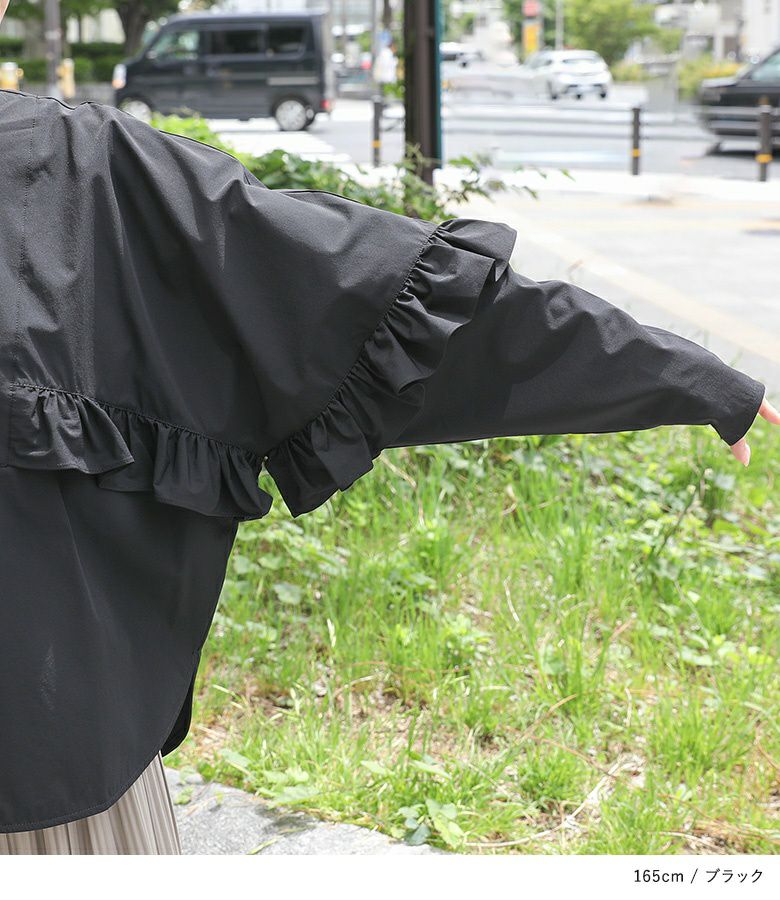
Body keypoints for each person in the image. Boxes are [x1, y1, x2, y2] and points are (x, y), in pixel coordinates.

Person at [0, 0, 777, 856]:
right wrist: (682, 376)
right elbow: (377, 307)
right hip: (49, 762)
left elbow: (373, 299)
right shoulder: (79, 174)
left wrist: (680, 377)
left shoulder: (82, 171)